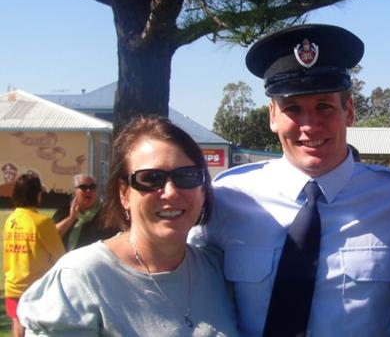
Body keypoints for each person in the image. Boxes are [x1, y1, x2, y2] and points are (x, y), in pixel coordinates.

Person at [194, 24, 390, 337]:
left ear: (349, 111)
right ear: (272, 115)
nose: (310, 125)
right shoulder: (228, 197)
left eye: (324, 106)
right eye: (293, 109)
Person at [18, 116, 238, 336]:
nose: (171, 191)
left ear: (203, 189)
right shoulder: (81, 279)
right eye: (151, 178)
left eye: (187, 176)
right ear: (124, 193)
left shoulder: (217, 270)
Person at [3, 173, 65, 337]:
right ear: (38, 194)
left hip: (12, 285)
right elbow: (60, 256)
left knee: (17, 328)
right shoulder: (42, 222)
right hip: (36, 289)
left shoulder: (10, 220)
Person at [52, 174, 119, 251]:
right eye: (83, 187)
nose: (88, 191)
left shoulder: (106, 215)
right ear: (74, 192)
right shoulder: (63, 212)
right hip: (66, 260)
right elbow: (52, 237)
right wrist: (71, 218)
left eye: (92, 187)